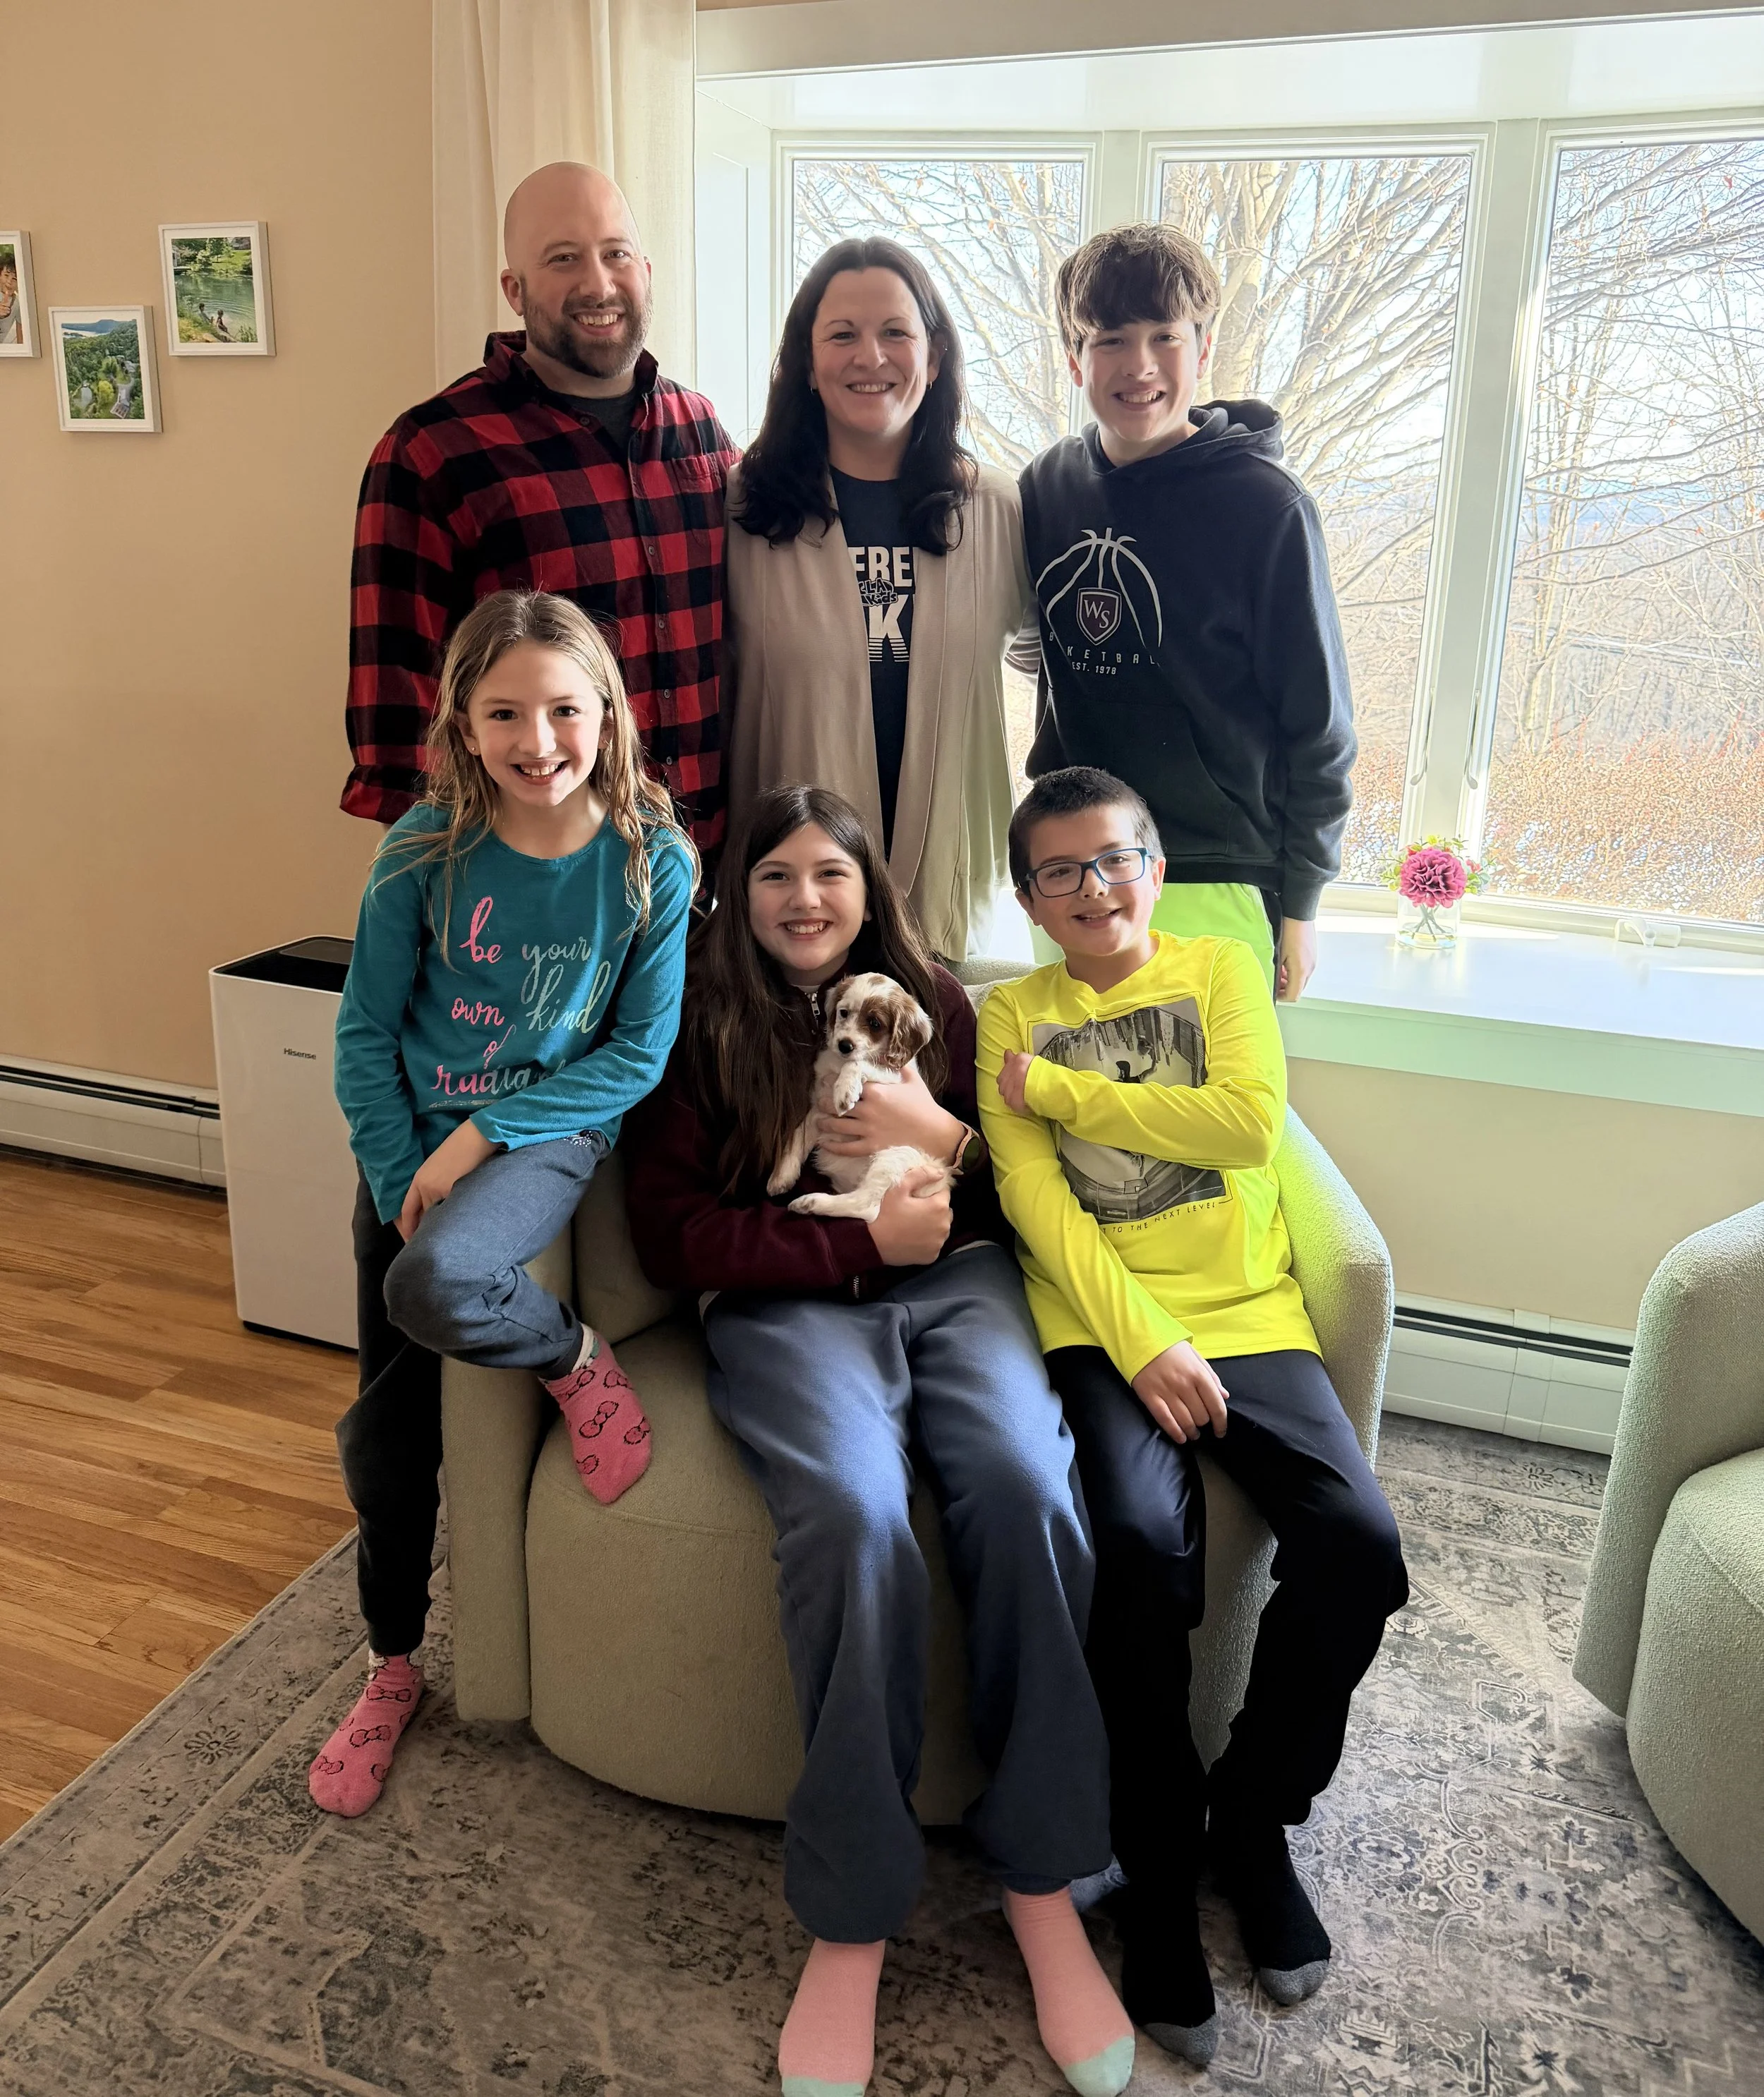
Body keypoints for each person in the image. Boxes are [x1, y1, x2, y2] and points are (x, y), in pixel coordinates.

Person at [625, 785, 1133, 2097]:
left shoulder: (941, 1005)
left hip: (957, 1287)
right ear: (739, 892)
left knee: (1028, 1490)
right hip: (786, 1304)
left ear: (870, 890)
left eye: (831, 875)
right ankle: (852, 1915)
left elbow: (1020, 1191)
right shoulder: (694, 1019)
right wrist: (848, 1246)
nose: (805, 899)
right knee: (855, 1521)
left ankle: (1043, 1879)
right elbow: (671, 1235)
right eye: (777, 875)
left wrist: (939, 1142)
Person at [977, 764, 1407, 2069]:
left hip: (1253, 1316)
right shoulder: (1009, 1014)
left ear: (1155, 867)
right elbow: (1039, 1208)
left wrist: (1064, 1094)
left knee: (1361, 1547)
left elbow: (1245, 1126)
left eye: (1116, 858)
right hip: (1104, 1330)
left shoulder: (1220, 972)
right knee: (1138, 1555)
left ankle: (1253, 1822)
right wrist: (1142, 1341)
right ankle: (1156, 1869)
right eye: (1061, 871)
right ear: (1031, 900)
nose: (1095, 887)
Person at [317, 588, 695, 1820]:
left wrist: (481, 1136)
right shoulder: (422, 850)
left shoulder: (651, 858)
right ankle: (391, 1664)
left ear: (608, 712)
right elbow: (364, 1036)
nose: (540, 741)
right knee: (383, 1444)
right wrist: (403, 1178)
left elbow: (636, 1054)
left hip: (545, 1133)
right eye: (506, 714)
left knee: (437, 1280)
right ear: (462, 723)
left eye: (566, 709)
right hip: (409, 1151)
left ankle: (575, 1359)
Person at [344, 162, 737, 860]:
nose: (599, 283)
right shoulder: (431, 452)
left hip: (710, 865)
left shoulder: (700, 429)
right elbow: (400, 719)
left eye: (616, 253)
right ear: (515, 290)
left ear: (646, 270)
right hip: (538, 877)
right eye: (563, 259)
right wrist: (440, 889)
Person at [1016, 223, 1356, 1001]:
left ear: (1203, 351)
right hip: (1070, 869)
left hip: (1215, 870)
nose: (1138, 365)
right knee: (1066, 1079)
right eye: (1110, 339)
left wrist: (1301, 904)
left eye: (1164, 336)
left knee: (1218, 1086)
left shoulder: (1267, 508)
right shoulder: (1047, 487)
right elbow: (1028, 637)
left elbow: (1320, 725)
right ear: (1074, 358)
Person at [726, 238, 1032, 960]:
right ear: (806, 363)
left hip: (951, 898)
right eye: (842, 335)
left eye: (896, 331)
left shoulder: (997, 509)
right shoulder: (743, 511)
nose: (870, 357)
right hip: (793, 906)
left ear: (935, 355)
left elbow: (1046, 657)